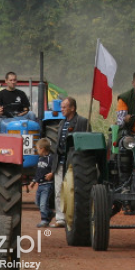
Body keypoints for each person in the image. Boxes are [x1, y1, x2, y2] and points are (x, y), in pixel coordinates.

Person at [51, 97, 89, 227]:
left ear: (72, 108)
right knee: (58, 191)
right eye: (61, 107)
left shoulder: (82, 122)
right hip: (59, 161)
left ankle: (74, 217)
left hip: (74, 162)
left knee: (73, 191)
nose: (61, 110)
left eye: (64, 107)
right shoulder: (61, 123)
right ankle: (60, 218)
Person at [30, 138, 55, 228]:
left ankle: (44, 220)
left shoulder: (50, 158)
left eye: (37, 149)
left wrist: (52, 173)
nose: (37, 151)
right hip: (40, 185)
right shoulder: (40, 159)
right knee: (37, 202)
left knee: (43, 204)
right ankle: (50, 213)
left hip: (47, 185)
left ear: (42, 149)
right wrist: (33, 181)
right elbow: (38, 172)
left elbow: (54, 168)